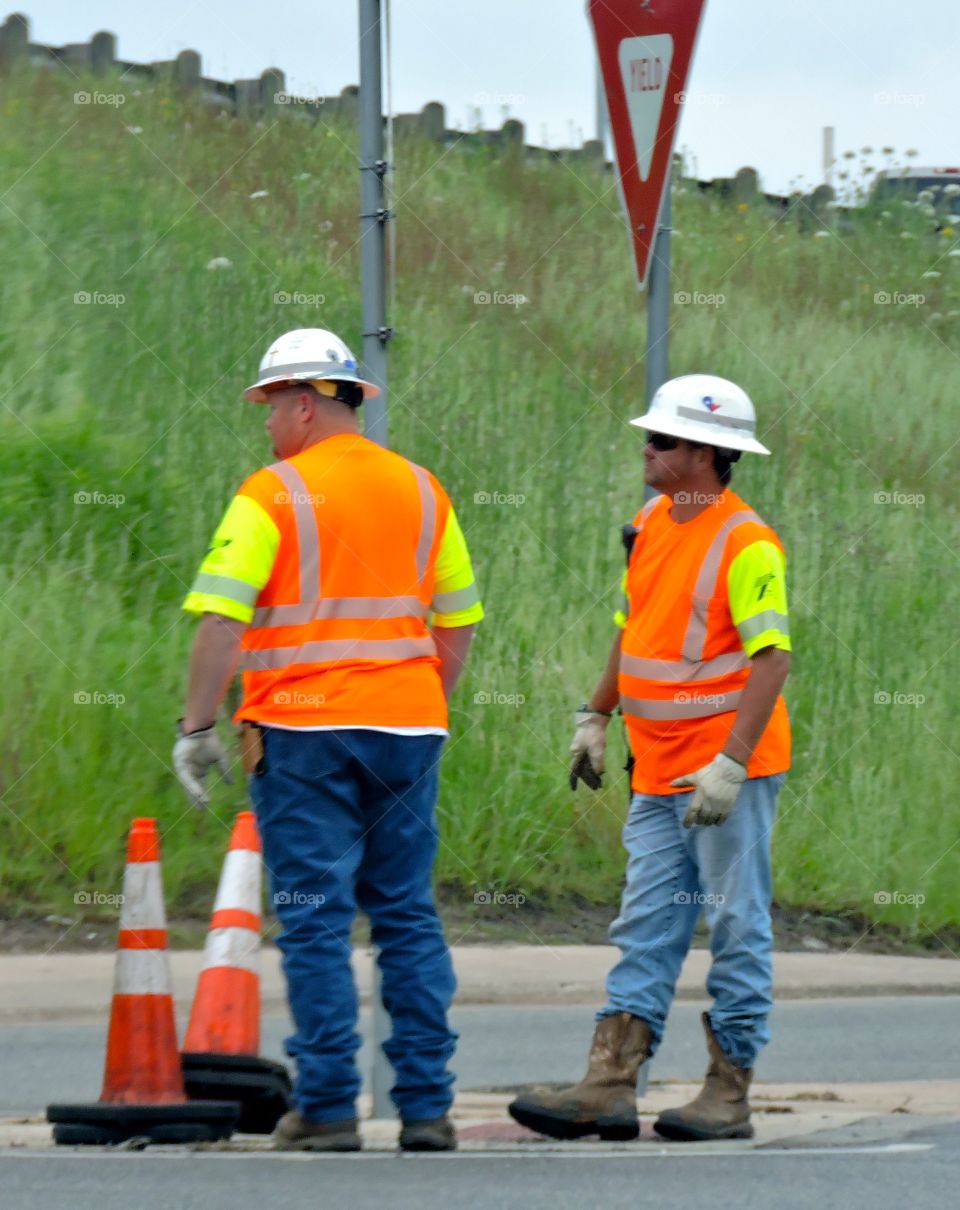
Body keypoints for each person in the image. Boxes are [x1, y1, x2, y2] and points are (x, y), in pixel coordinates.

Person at [172, 327, 482, 1153]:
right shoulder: (423, 490)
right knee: (408, 918)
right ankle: (426, 1109)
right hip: (408, 730)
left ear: (305, 403)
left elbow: (219, 620)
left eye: (271, 408)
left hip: (303, 733)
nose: (267, 425)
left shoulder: (271, 493)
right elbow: (459, 621)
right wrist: (421, 704)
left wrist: (197, 727)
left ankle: (330, 1107)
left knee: (313, 919)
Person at [509, 374, 791, 1143]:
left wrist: (731, 763)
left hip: (727, 775)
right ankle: (608, 1083)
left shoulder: (747, 541)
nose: (647, 447)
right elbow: (633, 630)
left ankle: (728, 1094)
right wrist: (594, 713)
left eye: (663, 439)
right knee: (646, 924)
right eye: (650, 435)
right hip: (659, 767)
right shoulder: (651, 520)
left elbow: (771, 661)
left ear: (706, 452)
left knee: (735, 925)